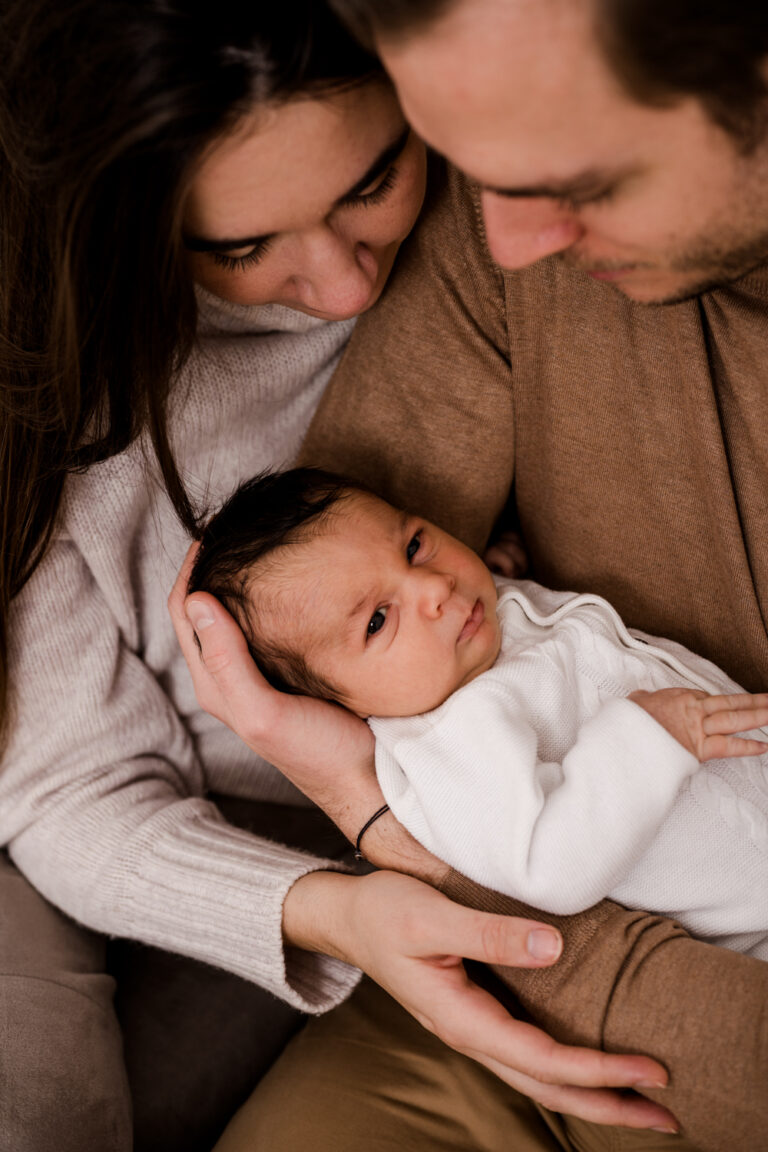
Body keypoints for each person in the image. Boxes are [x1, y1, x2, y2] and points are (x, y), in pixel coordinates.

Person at [0, 2, 680, 1150]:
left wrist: (357, 875)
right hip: (65, 808)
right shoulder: (61, 384)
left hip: (328, 815)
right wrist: (332, 914)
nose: (342, 285)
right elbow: (70, 796)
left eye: (370, 184)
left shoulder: (500, 219)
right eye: (240, 249)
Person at [171, 2, 768, 1150]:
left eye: (580, 180)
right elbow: (335, 589)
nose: (503, 245)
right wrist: (364, 810)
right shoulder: (509, 236)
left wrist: (380, 823)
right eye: (458, 168)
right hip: (492, 981)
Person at [188, 467, 768, 956]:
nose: (434, 585)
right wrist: (648, 740)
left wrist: (499, 569)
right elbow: (550, 867)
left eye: (413, 546)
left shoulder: (465, 630)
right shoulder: (447, 743)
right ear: (338, 704)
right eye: (376, 620)